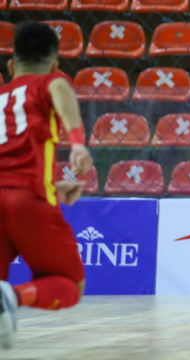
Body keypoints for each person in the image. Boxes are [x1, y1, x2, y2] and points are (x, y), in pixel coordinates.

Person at [0, 22, 93, 350]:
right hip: (29, 202)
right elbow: (59, 89)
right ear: (55, 65)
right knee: (70, 285)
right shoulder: (51, 80)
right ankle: (14, 296)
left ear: (11, 66)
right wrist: (78, 143)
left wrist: (52, 184)